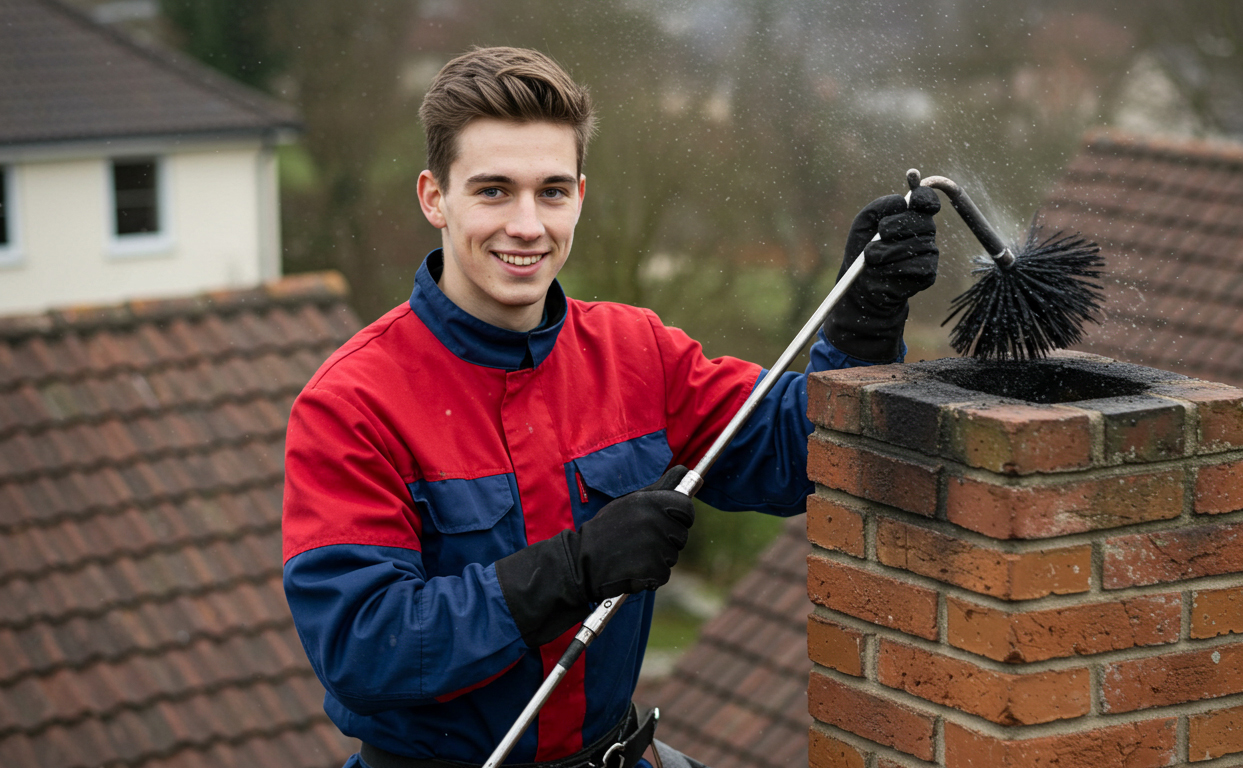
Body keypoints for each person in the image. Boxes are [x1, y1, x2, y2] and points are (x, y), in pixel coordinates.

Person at [282, 46, 942, 768]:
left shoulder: (637, 351)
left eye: (552, 191)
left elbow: (797, 457)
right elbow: (363, 649)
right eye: (494, 191)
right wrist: (573, 569)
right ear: (434, 196)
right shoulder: (352, 404)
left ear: (581, 197)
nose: (528, 225)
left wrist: (861, 327)